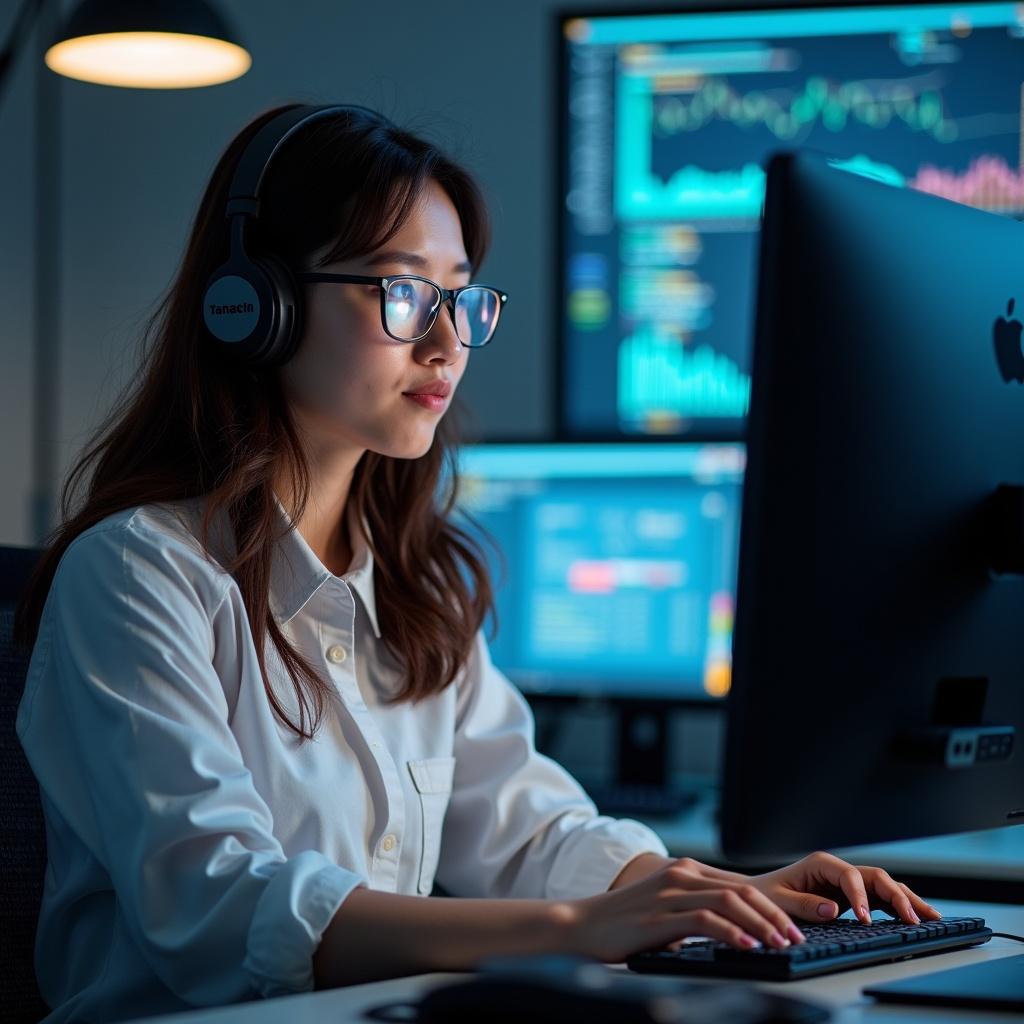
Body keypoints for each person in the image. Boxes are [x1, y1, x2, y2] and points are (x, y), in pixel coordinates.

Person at [14, 103, 940, 1023]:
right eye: (402, 290)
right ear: (256, 305)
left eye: (461, 295)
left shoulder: (419, 589)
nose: (448, 339)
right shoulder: (138, 573)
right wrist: (579, 927)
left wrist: (712, 893)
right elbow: (222, 906)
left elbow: (530, 827)